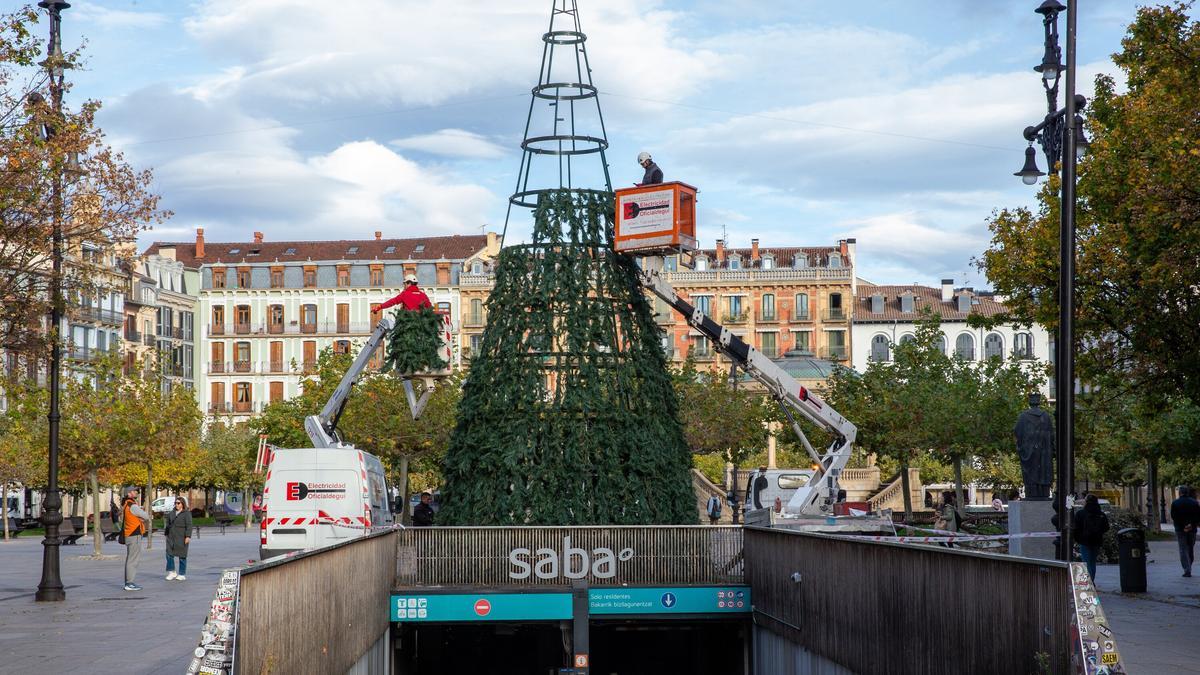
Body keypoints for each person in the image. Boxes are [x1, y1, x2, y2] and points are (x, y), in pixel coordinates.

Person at [1072, 494, 1110, 581]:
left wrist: (1078, 538)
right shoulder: (1101, 514)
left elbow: (1076, 528)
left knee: (1086, 562)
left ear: (1086, 502)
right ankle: (1092, 580)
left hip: (1085, 541)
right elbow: (1106, 527)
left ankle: (1089, 582)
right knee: (1092, 562)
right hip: (1097, 541)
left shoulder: (1081, 513)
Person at [120, 487, 149, 591]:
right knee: (133, 560)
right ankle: (129, 583)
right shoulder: (132, 505)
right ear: (129, 493)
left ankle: (128, 582)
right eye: (134, 491)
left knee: (130, 559)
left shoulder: (126, 504)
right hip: (134, 534)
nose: (136, 492)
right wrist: (141, 518)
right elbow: (146, 516)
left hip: (129, 534)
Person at [1170, 486, 1200, 577]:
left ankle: (1187, 569)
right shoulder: (1194, 503)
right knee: (1190, 548)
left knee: (1183, 549)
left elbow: (1174, 517)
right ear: (1188, 492)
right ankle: (1189, 565)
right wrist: (1191, 524)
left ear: (1180, 493)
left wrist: (1183, 526)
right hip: (1192, 529)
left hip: (1180, 529)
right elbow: (1198, 516)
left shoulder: (1175, 503)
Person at [164, 497, 193, 581]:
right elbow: (168, 524)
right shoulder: (171, 513)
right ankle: (172, 571)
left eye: (178, 503)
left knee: (182, 555)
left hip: (181, 536)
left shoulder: (186, 513)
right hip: (171, 536)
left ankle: (182, 574)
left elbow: (189, 526)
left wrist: (188, 536)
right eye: (175, 503)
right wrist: (166, 534)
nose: (176, 504)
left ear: (183, 504)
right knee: (168, 553)